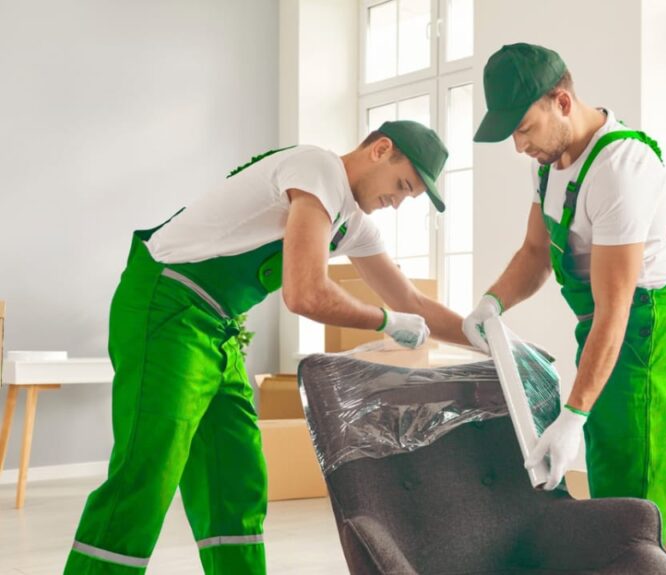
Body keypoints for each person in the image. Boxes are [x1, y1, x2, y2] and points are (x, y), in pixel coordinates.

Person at [65, 120, 467, 573]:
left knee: (235, 476)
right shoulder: (317, 169)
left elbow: (412, 300)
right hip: (165, 306)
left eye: (407, 196)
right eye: (402, 185)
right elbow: (305, 292)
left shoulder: (352, 223)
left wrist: (488, 336)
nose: (396, 202)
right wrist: (386, 322)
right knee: (148, 470)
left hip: (217, 325)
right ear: (381, 150)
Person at [463, 43, 666, 539]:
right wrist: (492, 302)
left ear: (562, 102)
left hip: (645, 325)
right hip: (604, 324)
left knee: (634, 486)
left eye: (523, 129)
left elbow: (615, 308)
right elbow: (535, 253)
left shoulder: (621, 167)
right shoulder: (548, 162)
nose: (519, 146)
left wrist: (573, 415)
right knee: (608, 467)